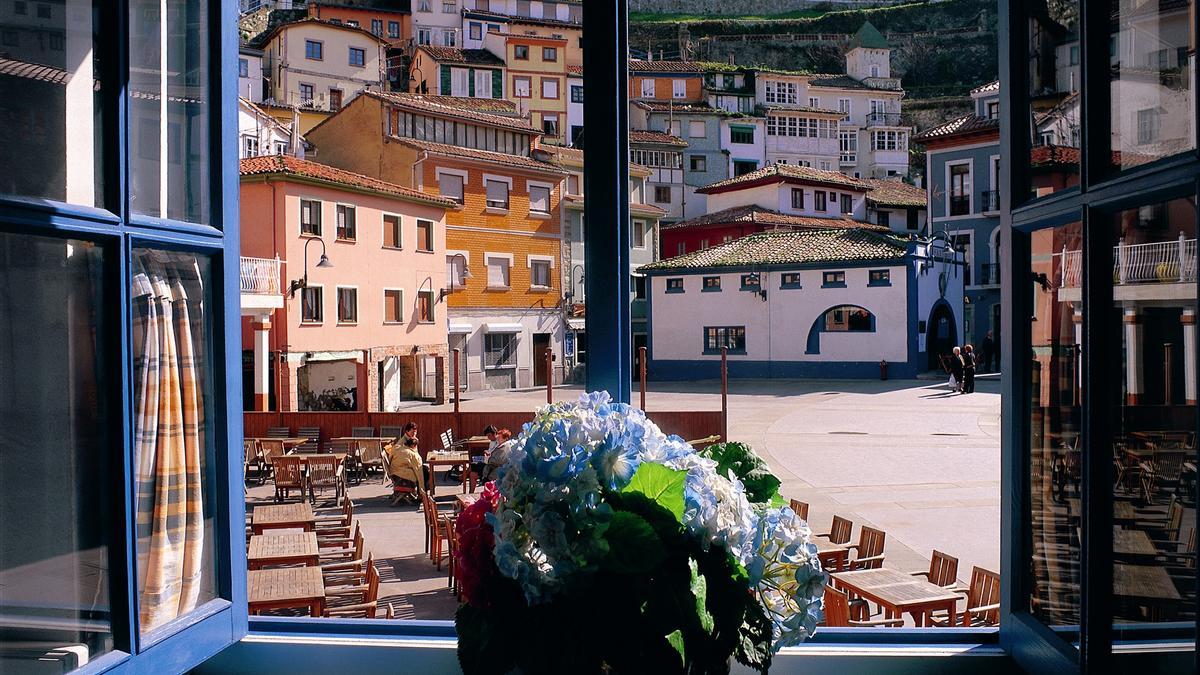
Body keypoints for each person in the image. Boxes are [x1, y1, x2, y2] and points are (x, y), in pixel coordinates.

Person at [385, 436, 426, 505]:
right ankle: (421, 495)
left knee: (423, 470)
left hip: (393, 473)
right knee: (424, 472)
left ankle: (419, 494)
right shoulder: (412, 454)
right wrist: (422, 488)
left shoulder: (397, 448)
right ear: (413, 445)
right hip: (401, 476)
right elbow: (418, 470)